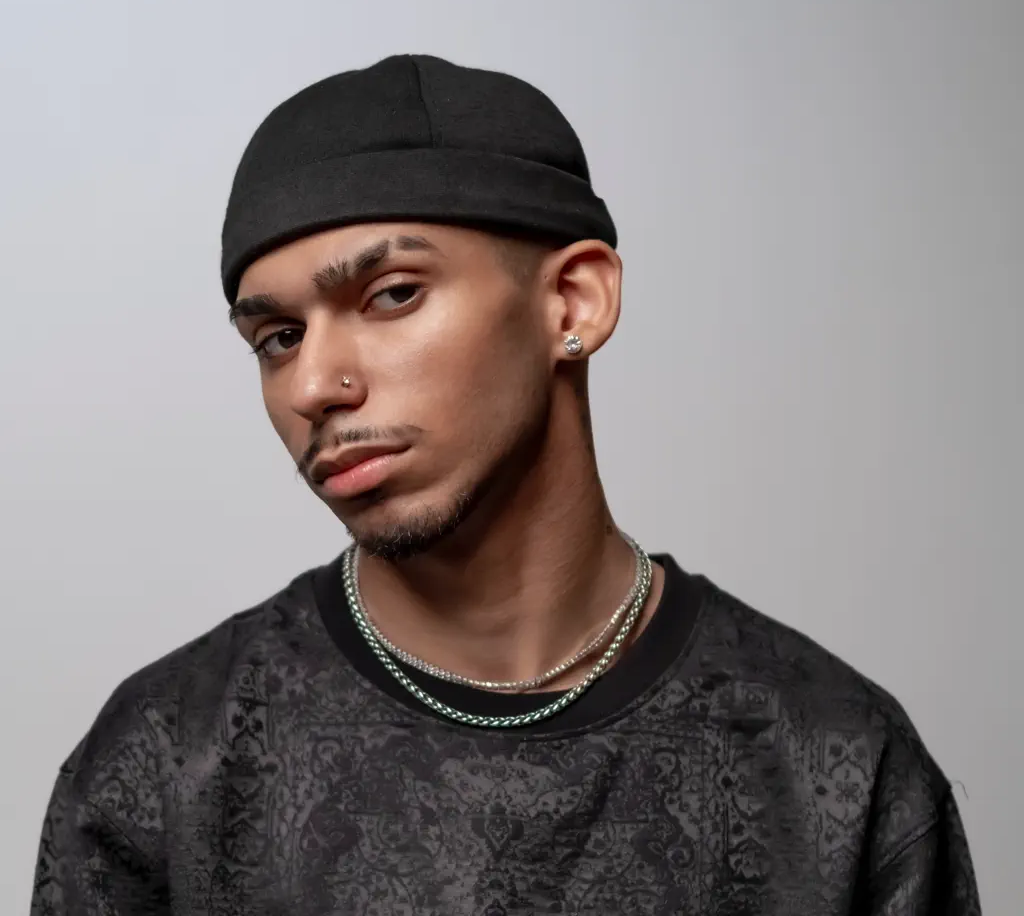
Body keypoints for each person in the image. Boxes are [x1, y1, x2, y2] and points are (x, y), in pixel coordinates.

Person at [31, 54, 980, 914]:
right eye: (278, 338)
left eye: (392, 295)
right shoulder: (166, 765)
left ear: (574, 301)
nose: (315, 384)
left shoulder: (833, 763)